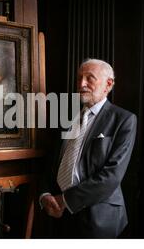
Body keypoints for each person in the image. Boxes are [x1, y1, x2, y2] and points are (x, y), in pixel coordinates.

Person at [39, 58, 137, 238]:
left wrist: (66, 200)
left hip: (98, 217)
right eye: (79, 78)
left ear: (108, 84)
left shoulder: (123, 120)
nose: (81, 84)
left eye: (89, 78)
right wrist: (45, 194)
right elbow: (53, 163)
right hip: (59, 214)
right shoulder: (68, 118)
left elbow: (112, 175)